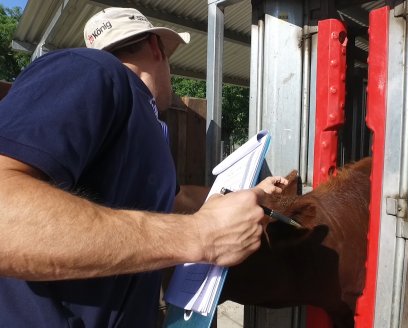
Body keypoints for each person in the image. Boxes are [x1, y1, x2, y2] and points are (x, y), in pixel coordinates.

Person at [0, 7, 287, 327]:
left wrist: (248, 194)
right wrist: (202, 235)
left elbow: (176, 200)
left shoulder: (144, 118)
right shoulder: (93, 70)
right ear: (156, 47)